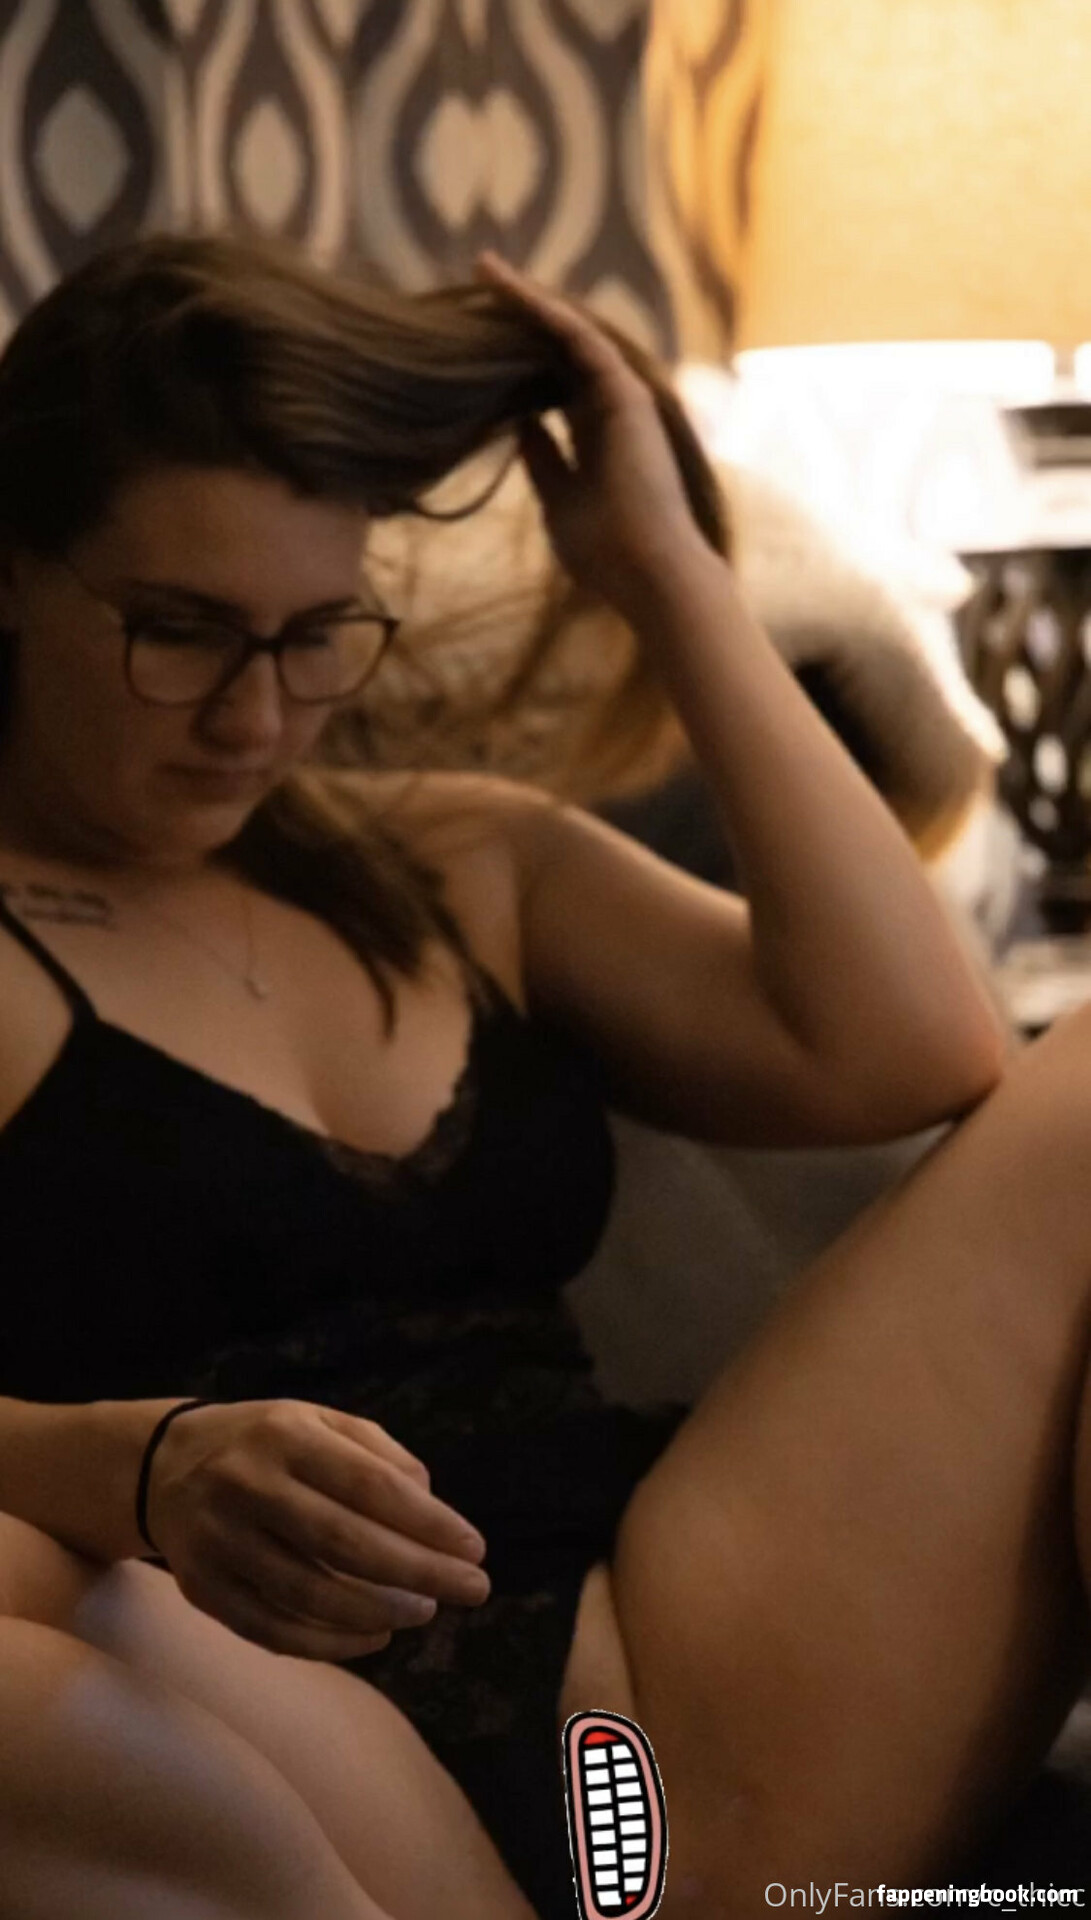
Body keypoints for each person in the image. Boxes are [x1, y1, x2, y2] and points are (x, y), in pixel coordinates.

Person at [0, 226, 1071, 1920]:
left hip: (673, 1625)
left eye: (317, 634)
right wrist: (139, 1463)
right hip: (295, 1717)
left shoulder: (458, 862)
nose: (254, 718)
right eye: (179, 631)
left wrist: (661, 565)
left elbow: (910, 1050)